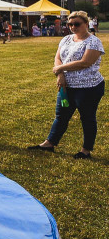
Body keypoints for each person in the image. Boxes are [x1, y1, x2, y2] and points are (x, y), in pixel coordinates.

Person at [29, 11, 104, 159]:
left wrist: (60, 69)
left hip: (88, 88)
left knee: (87, 118)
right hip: (66, 86)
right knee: (61, 116)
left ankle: (85, 150)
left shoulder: (93, 41)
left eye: (77, 24)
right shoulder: (66, 39)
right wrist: (60, 75)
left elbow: (85, 62)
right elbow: (58, 58)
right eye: (69, 24)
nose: (73, 27)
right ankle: (49, 143)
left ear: (86, 24)